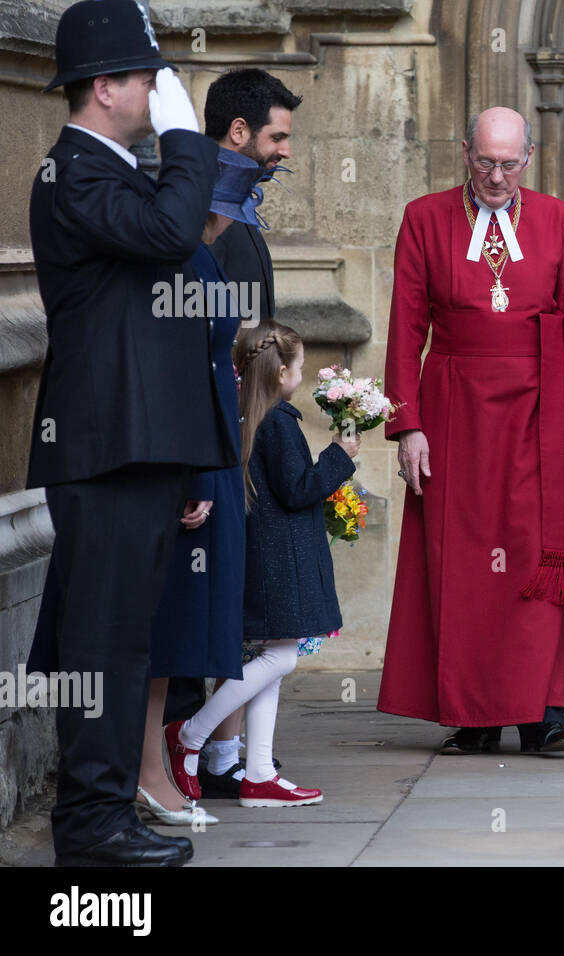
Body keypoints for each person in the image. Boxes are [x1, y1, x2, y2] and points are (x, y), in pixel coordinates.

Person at [25, 0, 234, 866]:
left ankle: (109, 809)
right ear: (105, 86)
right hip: (105, 445)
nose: (160, 90)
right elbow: (169, 232)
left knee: (123, 639)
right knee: (102, 642)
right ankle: (89, 825)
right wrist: (189, 145)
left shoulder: (110, 168)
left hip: (136, 444)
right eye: (149, 76)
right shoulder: (75, 172)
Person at [377, 106, 564, 755]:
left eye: (508, 163)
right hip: (453, 413)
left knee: (536, 558)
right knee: (466, 563)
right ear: (466, 155)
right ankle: (474, 716)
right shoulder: (425, 218)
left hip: (539, 412)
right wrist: (407, 425)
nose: (497, 175)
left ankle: (543, 715)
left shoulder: (559, 220)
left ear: (528, 158)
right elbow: (405, 329)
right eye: (485, 162)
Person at [162, 66, 303, 799]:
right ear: (239, 132)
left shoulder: (239, 217)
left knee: (231, 609)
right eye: (276, 136)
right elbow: (238, 349)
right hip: (226, 444)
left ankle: (224, 753)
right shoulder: (213, 231)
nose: (284, 150)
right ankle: (197, 745)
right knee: (220, 607)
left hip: (233, 440)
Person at [130, 148, 270, 828]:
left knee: (184, 627)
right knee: (164, 627)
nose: (224, 227)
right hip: (188, 459)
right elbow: (171, 370)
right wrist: (192, 470)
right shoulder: (180, 257)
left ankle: (156, 770)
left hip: (207, 453)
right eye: (223, 214)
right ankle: (149, 770)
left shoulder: (203, 256)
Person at [165, 321, 359, 807]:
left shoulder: (249, 414)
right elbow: (298, 490)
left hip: (269, 559)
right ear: (281, 375)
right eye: (299, 366)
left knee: (271, 661)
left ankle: (257, 773)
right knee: (281, 657)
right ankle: (190, 734)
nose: (302, 374)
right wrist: (339, 456)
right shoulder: (279, 421)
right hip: (280, 562)